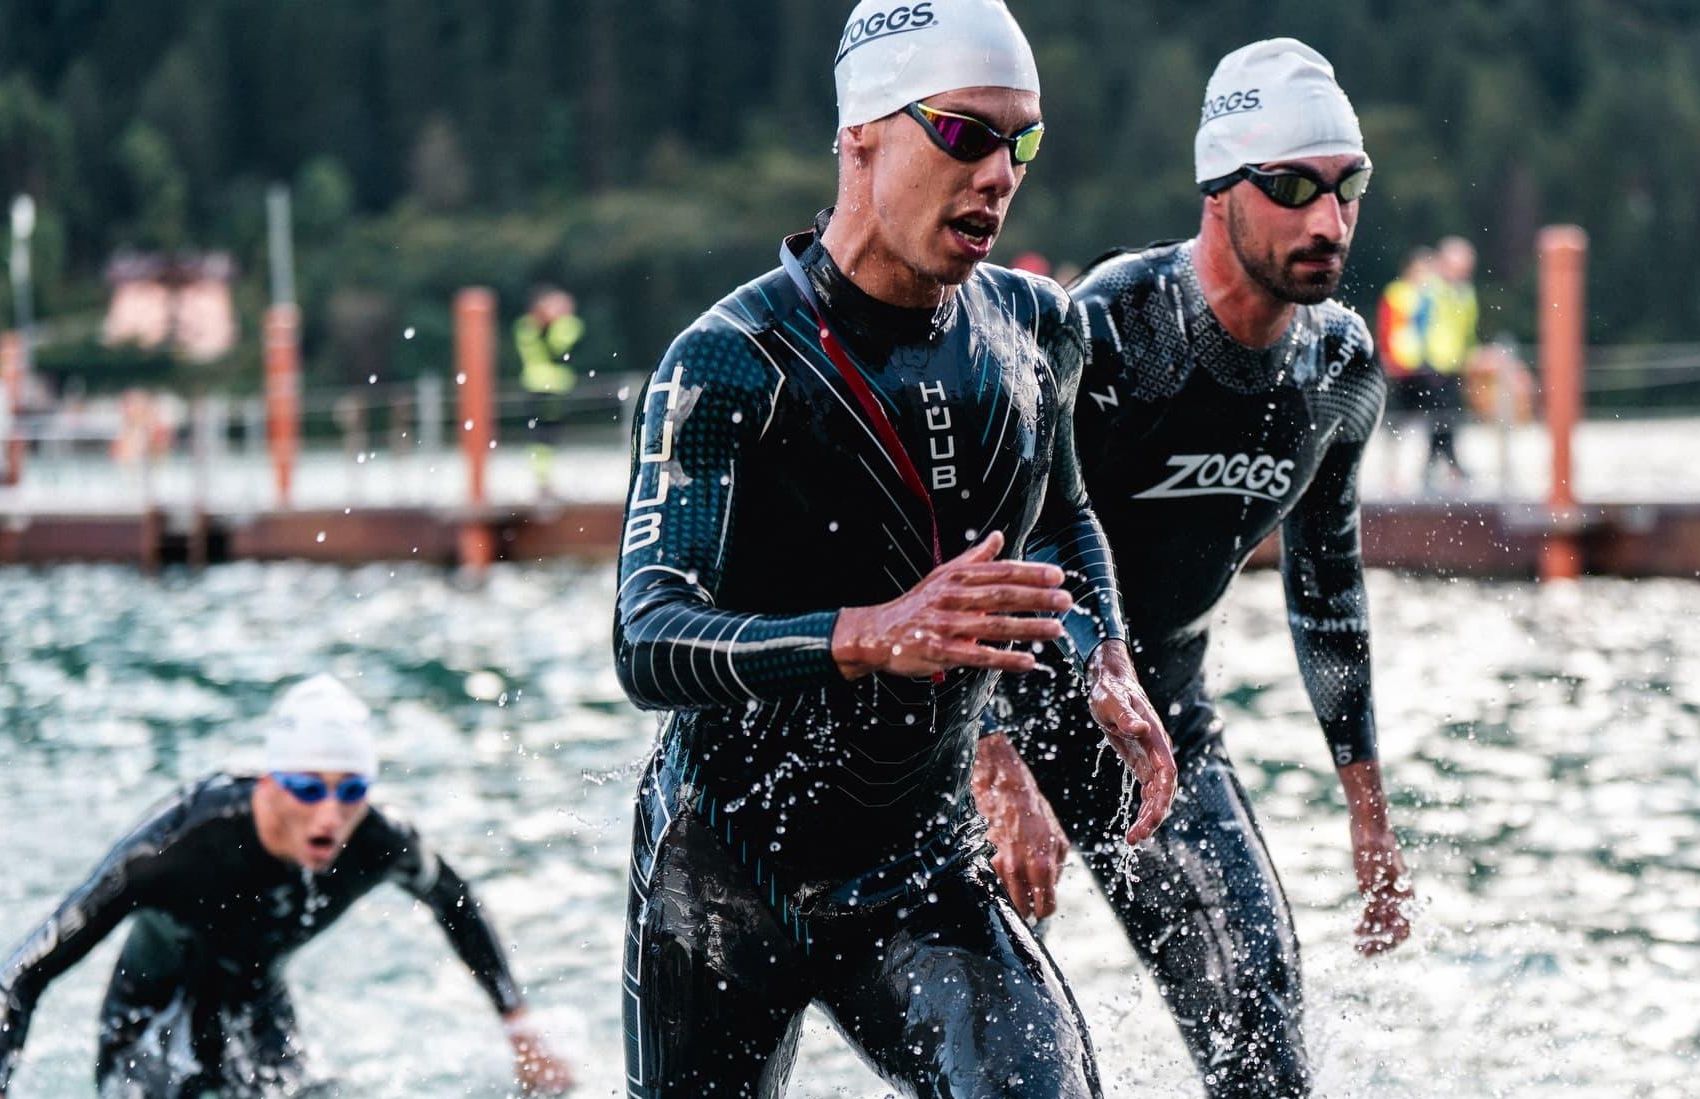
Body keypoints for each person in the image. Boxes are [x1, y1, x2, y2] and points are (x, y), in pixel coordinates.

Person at [610, 3, 1177, 1096]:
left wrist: (1102, 653)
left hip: (918, 872)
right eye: (965, 134)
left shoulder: (1036, 328)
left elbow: (1059, 517)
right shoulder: (728, 362)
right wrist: (869, 635)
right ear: (861, 136)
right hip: (722, 880)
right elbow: (647, 635)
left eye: (1022, 141)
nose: (998, 174)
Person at [972, 39, 1413, 1099]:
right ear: (1219, 188)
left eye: (1346, 186)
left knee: (1265, 1050)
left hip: (1160, 725)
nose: (1327, 219)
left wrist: (1367, 810)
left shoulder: (1338, 366)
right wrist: (994, 755)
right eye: (1292, 187)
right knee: (999, 1063)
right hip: (997, 710)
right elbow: (984, 535)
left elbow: (1326, 589)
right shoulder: (1117, 326)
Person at [0, 676, 572, 1099]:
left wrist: (519, 1027)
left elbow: (457, 902)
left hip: (258, 1012)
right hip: (150, 1020)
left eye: (351, 791)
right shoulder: (176, 844)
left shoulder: (378, 839)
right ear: (269, 783)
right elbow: (24, 972)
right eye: (308, 789)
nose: (330, 816)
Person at [514, 286, 585, 499]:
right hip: (546, 388)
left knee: (545, 436)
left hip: (547, 387)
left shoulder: (529, 326)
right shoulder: (536, 326)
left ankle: (544, 481)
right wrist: (562, 319)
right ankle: (543, 481)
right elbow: (557, 349)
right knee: (544, 436)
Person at [1421, 235, 1479, 488]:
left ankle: (1436, 464)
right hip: (1433, 363)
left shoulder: (1464, 292)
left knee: (1449, 415)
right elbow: (1419, 326)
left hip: (1455, 363)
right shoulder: (1431, 290)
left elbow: (1468, 329)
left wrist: (1470, 355)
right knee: (1440, 416)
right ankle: (1447, 464)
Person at [1376, 248, 1435, 492]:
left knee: (1423, 421)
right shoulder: (1397, 294)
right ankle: (1392, 473)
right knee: (1397, 422)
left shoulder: (1427, 295)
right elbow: (1387, 328)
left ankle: (1416, 472)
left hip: (1421, 365)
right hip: (1401, 366)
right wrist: (1389, 358)